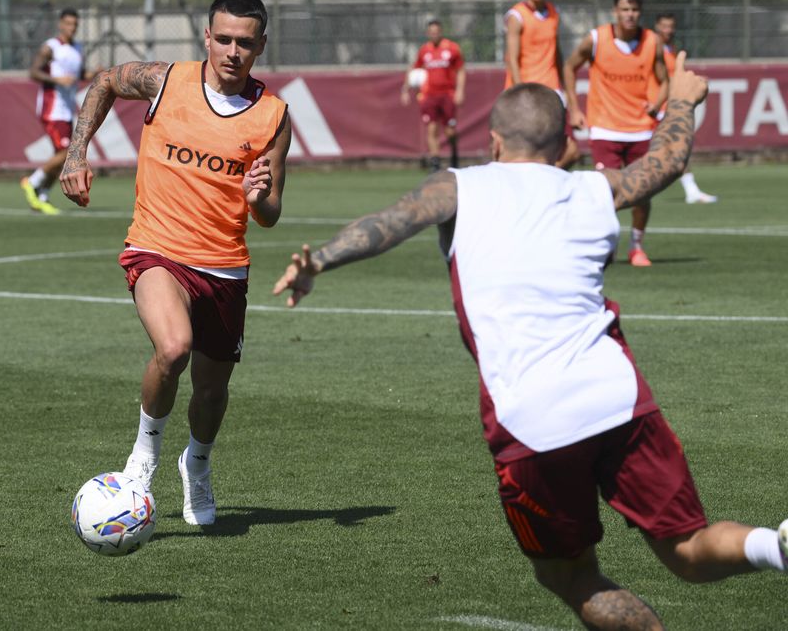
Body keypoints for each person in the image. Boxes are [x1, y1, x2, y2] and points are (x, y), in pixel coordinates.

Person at [273, 61, 787, 631]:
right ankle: (778, 546)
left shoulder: (459, 186)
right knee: (689, 548)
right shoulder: (595, 187)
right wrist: (685, 101)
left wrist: (318, 260)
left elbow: (391, 222)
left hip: (532, 422)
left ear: (492, 141)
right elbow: (663, 164)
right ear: (567, 142)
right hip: (619, 397)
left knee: (569, 575)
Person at [60, 0, 292, 525]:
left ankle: (199, 464)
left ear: (261, 46)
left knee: (212, 393)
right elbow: (104, 82)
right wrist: (77, 152)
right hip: (156, 248)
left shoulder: (273, 117)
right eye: (224, 39)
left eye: (246, 43)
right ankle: (143, 458)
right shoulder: (165, 81)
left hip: (225, 266)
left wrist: (259, 199)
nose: (233, 52)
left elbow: (271, 211)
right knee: (174, 348)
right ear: (206, 37)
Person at [564, 0, 666, 268]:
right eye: (624, 9)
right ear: (615, 12)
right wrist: (574, 107)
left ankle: (636, 246)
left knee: (642, 192)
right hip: (605, 129)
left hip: (640, 129)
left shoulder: (651, 41)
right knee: (603, 193)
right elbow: (569, 67)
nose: (630, 15)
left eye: (634, 10)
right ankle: (605, 246)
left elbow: (665, 79)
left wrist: (657, 103)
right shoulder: (596, 39)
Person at [21, 7, 97, 215]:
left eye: (75, 24)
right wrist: (56, 80)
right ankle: (33, 181)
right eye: (68, 24)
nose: (72, 28)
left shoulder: (77, 48)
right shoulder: (51, 47)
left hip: (66, 110)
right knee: (65, 153)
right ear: (60, 24)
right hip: (52, 108)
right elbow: (33, 72)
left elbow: (78, 73)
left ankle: (42, 196)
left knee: (61, 156)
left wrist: (94, 73)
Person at [504, 0, 579, 169]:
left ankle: (545, 185)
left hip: (552, 90)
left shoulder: (553, 12)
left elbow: (556, 53)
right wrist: (520, 92)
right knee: (524, 155)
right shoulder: (517, 16)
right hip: (527, 94)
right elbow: (512, 58)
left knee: (571, 151)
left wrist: (566, 90)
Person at [650, 13, 717, 204]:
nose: (668, 30)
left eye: (671, 26)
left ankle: (691, 190)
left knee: (677, 149)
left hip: (668, 106)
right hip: (656, 107)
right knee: (672, 149)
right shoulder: (652, 48)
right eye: (664, 26)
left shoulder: (671, 49)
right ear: (656, 26)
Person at [401, 19, 465, 172]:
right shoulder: (424, 51)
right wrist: (405, 89)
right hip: (429, 95)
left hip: (447, 94)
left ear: (441, 32)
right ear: (427, 34)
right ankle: (435, 163)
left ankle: (454, 155)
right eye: (431, 33)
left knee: (450, 131)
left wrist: (460, 90)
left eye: (436, 32)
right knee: (431, 128)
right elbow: (413, 68)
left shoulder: (452, 48)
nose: (434, 35)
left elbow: (461, 70)